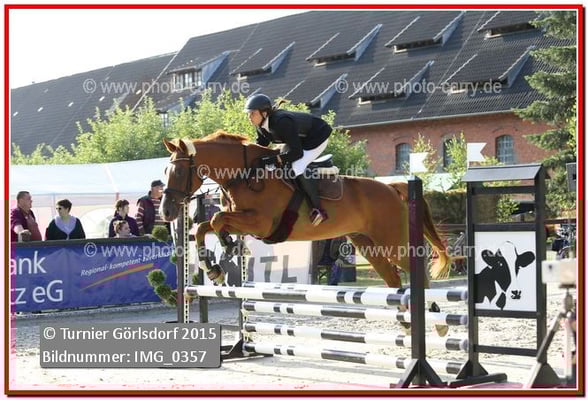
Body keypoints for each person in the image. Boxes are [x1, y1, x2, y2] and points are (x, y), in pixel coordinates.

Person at [244, 93, 332, 226]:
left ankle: (318, 209)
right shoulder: (260, 124)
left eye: (252, 113)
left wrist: (270, 161)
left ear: (264, 113)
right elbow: (262, 144)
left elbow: (297, 153)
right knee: (279, 165)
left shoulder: (282, 122)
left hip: (317, 137)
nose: (249, 117)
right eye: (248, 114)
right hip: (300, 140)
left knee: (297, 168)